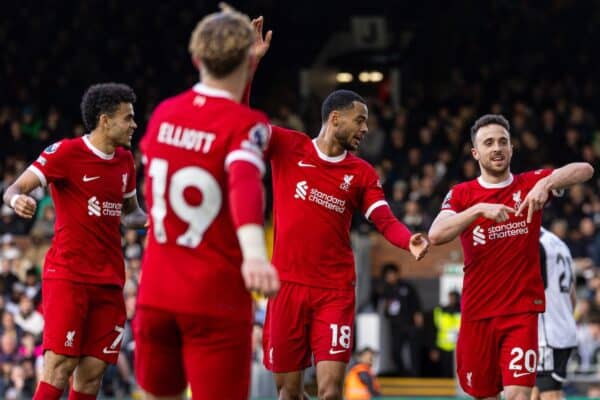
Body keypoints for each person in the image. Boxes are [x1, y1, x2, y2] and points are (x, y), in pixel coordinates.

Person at [247, 17, 429, 400]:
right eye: (360, 120)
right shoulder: (289, 146)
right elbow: (240, 122)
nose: (365, 129)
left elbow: (382, 216)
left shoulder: (361, 172)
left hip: (334, 290)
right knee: (289, 392)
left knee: (330, 391)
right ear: (335, 118)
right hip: (287, 287)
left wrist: (406, 239)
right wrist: (250, 66)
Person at [134, 5, 280, 400]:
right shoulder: (245, 125)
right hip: (214, 298)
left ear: (196, 57)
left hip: (156, 294)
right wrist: (253, 254)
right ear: (247, 59)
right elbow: (244, 181)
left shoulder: (164, 114)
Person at [428, 114, 594, 400]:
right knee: (484, 394)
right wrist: (478, 210)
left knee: (518, 394)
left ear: (512, 148)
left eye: (503, 141)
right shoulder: (461, 194)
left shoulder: (529, 183)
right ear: (475, 152)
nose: (497, 148)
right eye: (488, 142)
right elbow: (436, 233)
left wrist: (546, 183)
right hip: (478, 313)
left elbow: (585, 169)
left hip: (521, 311)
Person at [3, 82, 147, 399]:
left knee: (92, 374)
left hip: (109, 281)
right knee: (59, 366)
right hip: (69, 277)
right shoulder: (66, 153)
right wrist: (16, 202)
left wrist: (156, 219)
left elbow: (130, 213)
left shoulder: (124, 161)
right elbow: (14, 189)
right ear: (105, 120)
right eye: (128, 117)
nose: (134, 124)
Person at [531, 228, 577, 400]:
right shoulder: (560, 244)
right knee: (532, 391)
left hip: (547, 335)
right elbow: (573, 296)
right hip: (562, 327)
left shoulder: (534, 244)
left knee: (549, 394)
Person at [377, 263, 423, 376]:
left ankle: (415, 374)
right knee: (395, 350)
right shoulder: (385, 290)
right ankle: (402, 372)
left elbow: (416, 304)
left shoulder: (407, 287)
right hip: (396, 326)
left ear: (396, 274)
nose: (390, 278)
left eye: (391, 275)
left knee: (414, 351)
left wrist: (418, 318)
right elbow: (384, 310)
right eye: (387, 276)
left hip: (410, 323)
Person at [431, 290, 461, 378]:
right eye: (450, 297)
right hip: (443, 346)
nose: (452, 300)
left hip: (458, 347)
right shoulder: (440, 311)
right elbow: (434, 330)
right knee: (445, 371)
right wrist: (433, 348)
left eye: (454, 297)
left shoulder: (463, 311)